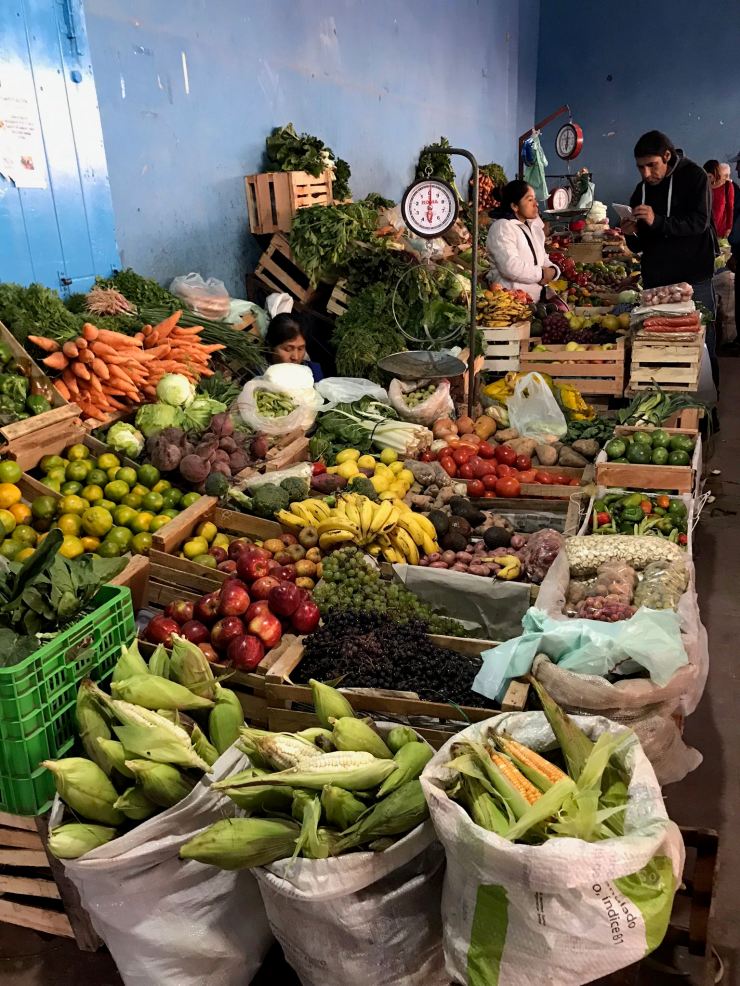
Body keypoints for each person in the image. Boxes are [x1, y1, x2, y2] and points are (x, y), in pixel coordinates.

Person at [622, 131, 718, 387]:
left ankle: (706, 410)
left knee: (701, 346)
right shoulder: (640, 192)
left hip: (694, 277)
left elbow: (699, 223)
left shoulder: (695, 177)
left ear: (667, 156)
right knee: (661, 350)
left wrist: (658, 221)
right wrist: (631, 234)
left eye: (651, 165)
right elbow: (640, 244)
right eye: (640, 167)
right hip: (656, 284)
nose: (645, 174)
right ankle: (667, 407)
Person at [485, 180, 560, 302]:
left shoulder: (533, 227)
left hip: (533, 301)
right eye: (530, 200)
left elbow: (542, 257)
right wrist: (541, 274)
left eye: (535, 199)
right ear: (514, 206)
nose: (536, 204)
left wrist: (553, 270)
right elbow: (511, 267)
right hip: (511, 302)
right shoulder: (503, 227)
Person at [264, 313, 323, 382]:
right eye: (288, 349)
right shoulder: (258, 376)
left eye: (300, 349)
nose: (296, 357)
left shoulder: (314, 374)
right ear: (270, 347)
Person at [703, 160, 735, 238]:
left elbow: (730, 208)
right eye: (705, 176)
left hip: (721, 232)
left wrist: (729, 228)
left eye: (710, 177)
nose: (708, 179)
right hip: (704, 231)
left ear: (716, 174)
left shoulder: (727, 186)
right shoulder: (704, 187)